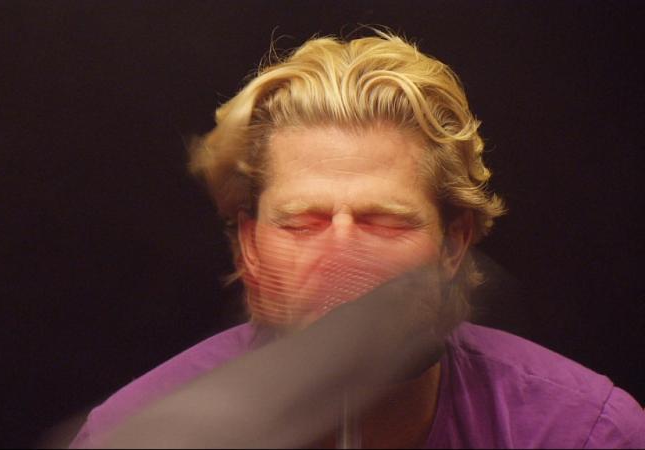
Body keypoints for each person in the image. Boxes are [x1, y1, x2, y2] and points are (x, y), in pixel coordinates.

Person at [70, 31, 644, 448]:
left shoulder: (585, 434)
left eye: (384, 221)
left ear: (454, 245)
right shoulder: (130, 437)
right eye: (301, 223)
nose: (341, 255)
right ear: (250, 246)